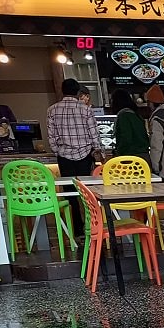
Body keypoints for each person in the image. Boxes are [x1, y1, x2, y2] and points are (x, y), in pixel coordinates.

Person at [46, 78, 103, 236]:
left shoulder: (52, 110)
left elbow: (51, 137)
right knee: (87, 192)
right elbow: (94, 134)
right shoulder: (85, 109)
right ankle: (91, 225)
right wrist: (97, 150)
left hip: (64, 158)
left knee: (70, 193)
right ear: (78, 91)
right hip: (85, 155)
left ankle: (77, 227)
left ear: (62, 91)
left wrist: (58, 151)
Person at [110, 88, 150, 164]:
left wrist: (117, 152)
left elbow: (125, 138)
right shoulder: (136, 115)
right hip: (144, 158)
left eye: (112, 100)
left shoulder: (123, 116)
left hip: (131, 159)